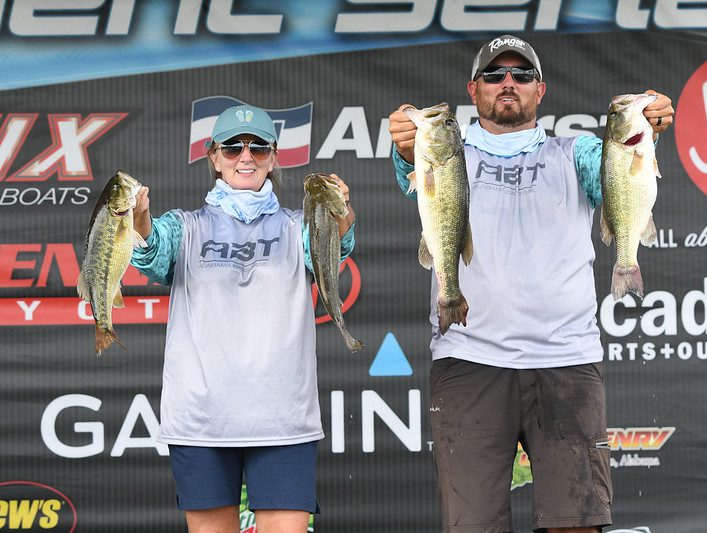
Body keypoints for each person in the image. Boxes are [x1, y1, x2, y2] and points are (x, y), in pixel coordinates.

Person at [388, 35, 674, 533]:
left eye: (521, 75)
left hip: (565, 358)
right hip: (468, 357)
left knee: (576, 524)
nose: (508, 83)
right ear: (474, 89)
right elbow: (412, 169)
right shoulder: (445, 150)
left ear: (540, 90)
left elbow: (619, 171)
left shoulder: (577, 151)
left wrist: (647, 127)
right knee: (473, 527)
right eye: (495, 74)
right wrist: (407, 147)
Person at [131, 104, 356, 533]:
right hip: (201, 420)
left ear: (274, 158)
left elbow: (331, 251)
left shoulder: (298, 226)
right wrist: (139, 220)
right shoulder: (184, 226)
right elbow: (152, 253)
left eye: (258, 148)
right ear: (214, 157)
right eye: (233, 147)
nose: (246, 156)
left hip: (283, 419)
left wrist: (341, 214)